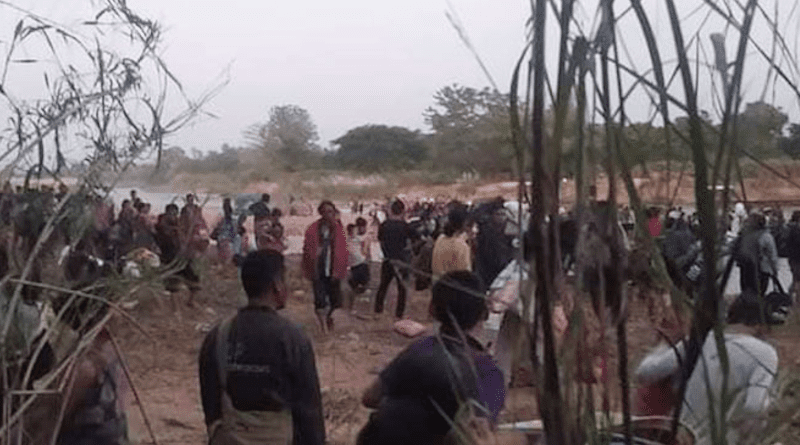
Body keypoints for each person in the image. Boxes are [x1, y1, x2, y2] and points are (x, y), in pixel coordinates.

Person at [357, 271, 505, 445]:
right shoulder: (489, 372)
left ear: (432, 309)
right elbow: (478, 436)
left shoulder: (419, 349)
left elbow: (369, 398)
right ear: (484, 314)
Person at [199, 251, 325, 445]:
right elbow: (308, 411)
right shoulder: (292, 337)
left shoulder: (218, 335)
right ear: (277, 286)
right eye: (285, 280)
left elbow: (211, 406)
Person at [634, 330, 778, 445]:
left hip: (677, 434)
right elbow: (754, 408)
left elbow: (645, 372)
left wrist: (662, 347)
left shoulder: (701, 339)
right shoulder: (764, 354)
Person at [302, 200, 348, 333]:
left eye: (331, 211)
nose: (329, 214)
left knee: (336, 301)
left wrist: (342, 269)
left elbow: (343, 250)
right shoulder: (313, 229)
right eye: (326, 211)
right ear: (321, 213)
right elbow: (307, 250)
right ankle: (323, 328)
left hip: (334, 269)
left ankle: (329, 319)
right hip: (319, 269)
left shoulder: (339, 229)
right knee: (320, 300)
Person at [373, 200, 415, 319]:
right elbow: (417, 239)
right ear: (402, 211)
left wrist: (386, 252)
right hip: (401, 261)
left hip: (387, 259)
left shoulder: (384, 225)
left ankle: (378, 310)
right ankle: (399, 314)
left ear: (391, 210)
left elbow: (380, 241)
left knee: (383, 285)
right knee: (402, 288)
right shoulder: (406, 226)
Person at [431, 205, 472, 277]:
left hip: (438, 283)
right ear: (464, 224)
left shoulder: (440, 239)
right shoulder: (462, 246)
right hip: (453, 285)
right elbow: (465, 274)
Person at [346, 218, 370, 303]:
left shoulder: (356, 239)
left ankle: (355, 301)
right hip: (358, 263)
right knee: (360, 283)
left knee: (359, 283)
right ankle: (355, 301)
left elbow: (366, 250)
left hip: (358, 263)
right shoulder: (356, 239)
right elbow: (365, 251)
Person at [211, 198, 238, 265]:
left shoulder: (232, 221)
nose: (227, 210)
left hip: (229, 244)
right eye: (225, 207)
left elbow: (235, 234)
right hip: (223, 244)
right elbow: (213, 234)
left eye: (228, 207)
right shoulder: (221, 220)